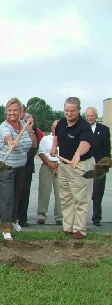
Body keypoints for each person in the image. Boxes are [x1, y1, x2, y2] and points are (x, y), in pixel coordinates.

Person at [0, 98, 37, 240]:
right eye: (10, 110)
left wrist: (30, 131)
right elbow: (6, 136)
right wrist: (10, 141)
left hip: (20, 166)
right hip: (4, 166)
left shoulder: (25, 125)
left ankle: (13, 221)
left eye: (15, 110)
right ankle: (6, 228)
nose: (12, 113)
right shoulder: (5, 125)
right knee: (7, 198)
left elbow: (34, 144)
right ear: (6, 112)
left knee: (17, 196)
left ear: (21, 112)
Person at [50, 97, 94, 239]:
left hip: (80, 165)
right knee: (66, 197)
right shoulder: (62, 123)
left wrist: (77, 155)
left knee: (80, 198)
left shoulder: (84, 126)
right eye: (66, 110)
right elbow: (57, 135)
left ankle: (79, 230)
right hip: (64, 165)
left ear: (79, 110)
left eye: (72, 111)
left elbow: (86, 142)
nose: (69, 114)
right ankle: (68, 226)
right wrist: (53, 147)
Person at [85, 106, 111, 227]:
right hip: (84, 165)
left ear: (96, 116)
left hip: (99, 168)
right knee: (83, 193)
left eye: (92, 115)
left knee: (97, 194)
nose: (90, 118)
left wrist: (105, 164)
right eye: (88, 116)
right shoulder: (82, 128)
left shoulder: (104, 129)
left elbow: (107, 150)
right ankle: (81, 218)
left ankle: (96, 218)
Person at [36, 120, 62, 225]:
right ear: (51, 127)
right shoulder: (45, 139)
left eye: (58, 127)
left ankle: (60, 217)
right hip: (47, 165)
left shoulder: (64, 139)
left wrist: (57, 164)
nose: (56, 129)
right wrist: (50, 164)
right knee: (44, 191)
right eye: (54, 127)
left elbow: (68, 153)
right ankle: (41, 215)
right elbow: (41, 153)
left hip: (60, 166)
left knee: (60, 193)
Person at [17, 113, 40, 227]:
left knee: (25, 194)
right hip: (16, 165)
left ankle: (22, 219)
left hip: (27, 167)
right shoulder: (16, 128)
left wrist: (30, 129)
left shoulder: (33, 130)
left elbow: (35, 146)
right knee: (14, 193)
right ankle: (12, 218)